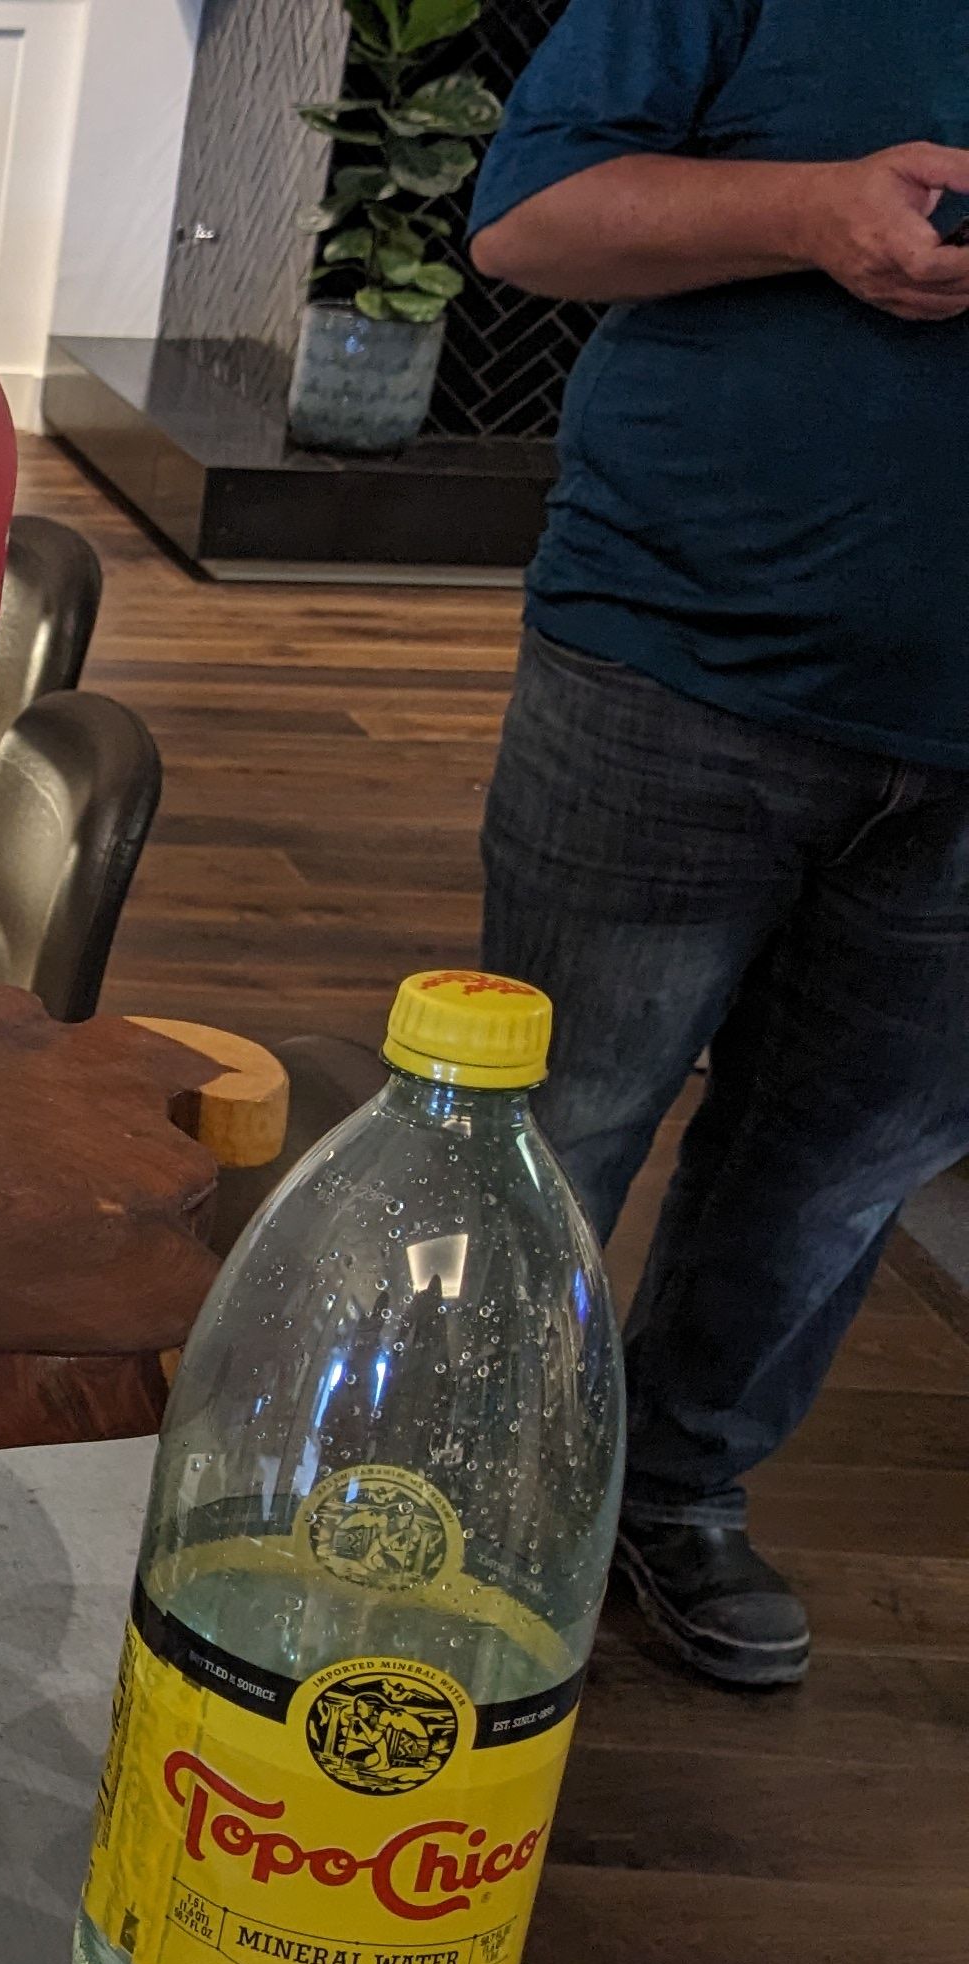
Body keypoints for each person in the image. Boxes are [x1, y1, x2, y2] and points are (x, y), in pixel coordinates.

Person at [463, 2, 969, 1689]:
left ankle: (675, 1493)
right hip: (674, 658)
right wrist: (813, 209)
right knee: (549, 1132)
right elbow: (527, 217)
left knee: (831, 1182)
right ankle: (452, 1502)